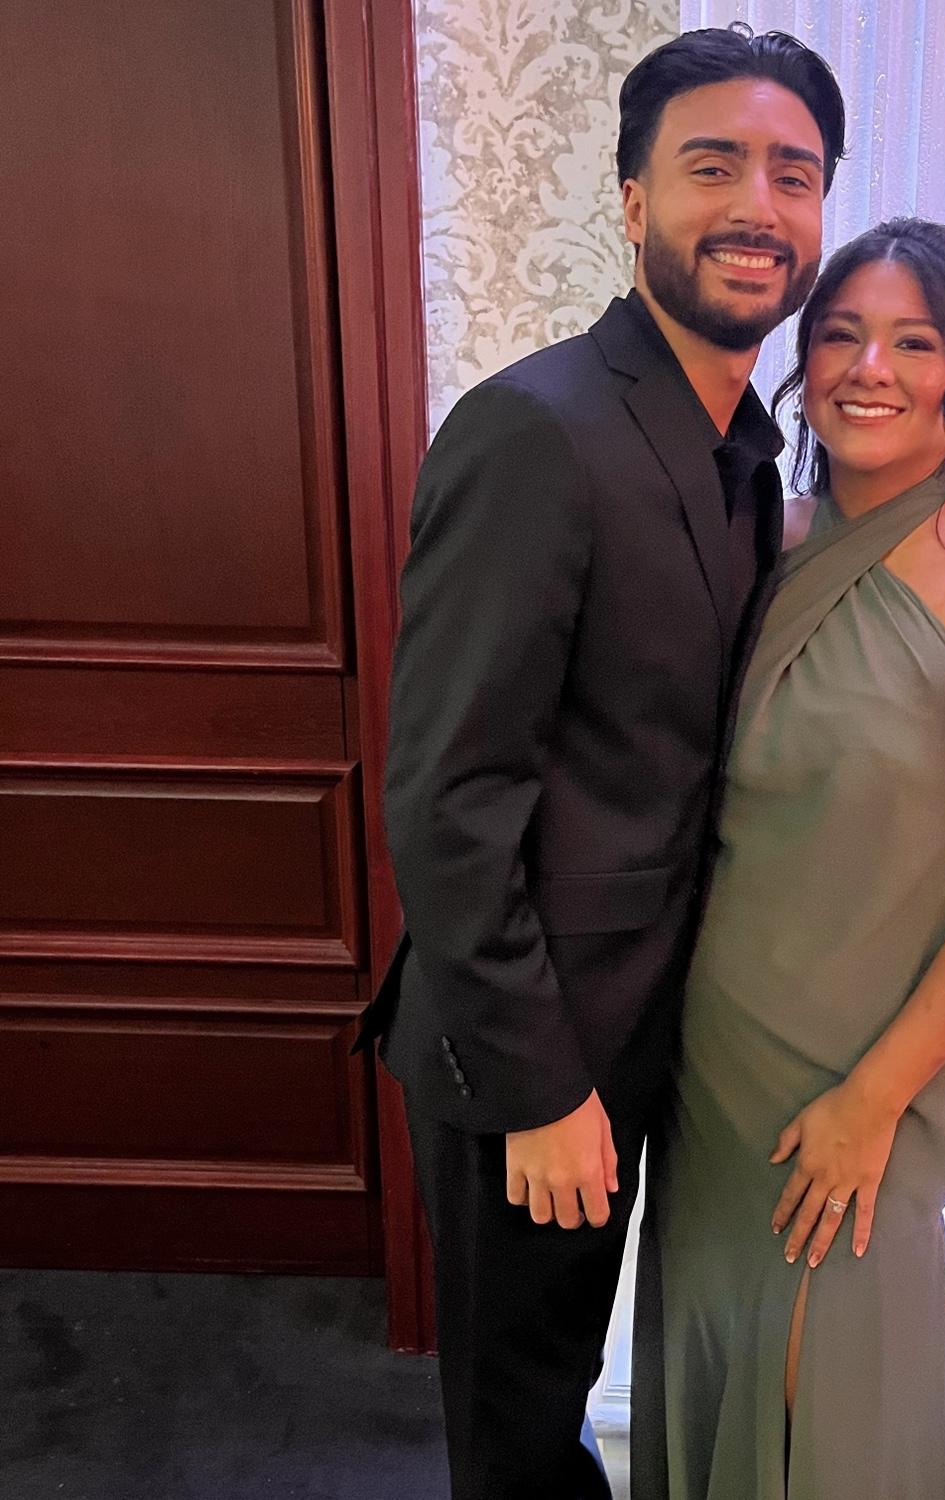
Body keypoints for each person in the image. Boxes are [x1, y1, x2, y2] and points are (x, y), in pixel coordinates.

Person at [350, 25, 845, 1499]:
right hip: (531, 1043)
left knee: (570, 1389)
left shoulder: (749, 454)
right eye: (713, 167)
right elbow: (450, 796)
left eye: (795, 173)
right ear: (633, 202)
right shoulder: (535, 430)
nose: (757, 204)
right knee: (517, 1427)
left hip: (661, 1025)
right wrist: (540, 1090)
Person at [632, 218, 945, 1498]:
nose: (870, 368)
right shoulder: (754, 546)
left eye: (914, 342)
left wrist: (874, 1099)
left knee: (827, 1391)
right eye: (841, 335)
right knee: (721, 1357)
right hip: (713, 1057)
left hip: (868, 1072)